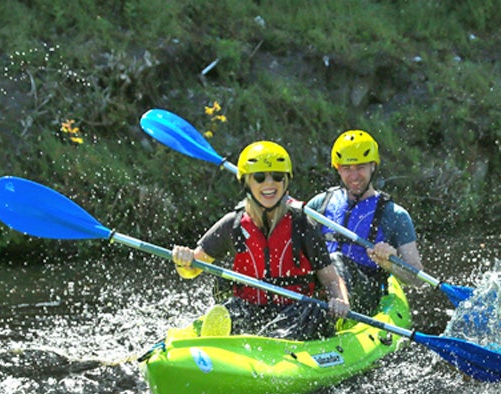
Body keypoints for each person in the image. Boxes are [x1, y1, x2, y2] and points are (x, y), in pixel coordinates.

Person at [172, 141, 351, 340]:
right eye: (259, 177)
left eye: (277, 177)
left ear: (286, 182)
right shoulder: (233, 224)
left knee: (310, 310)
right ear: (247, 183)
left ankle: (271, 343)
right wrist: (184, 260)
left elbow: (331, 279)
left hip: (295, 310)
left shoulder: (303, 224)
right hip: (252, 308)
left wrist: (339, 299)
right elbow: (191, 269)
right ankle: (218, 343)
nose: (269, 184)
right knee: (231, 309)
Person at [308, 130, 424, 313]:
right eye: (347, 168)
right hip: (322, 286)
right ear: (338, 168)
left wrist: (389, 264)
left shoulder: (394, 215)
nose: (354, 176)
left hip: (365, 294)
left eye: (360, 167)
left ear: (373, 166)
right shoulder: (319, 205)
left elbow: (418, 279)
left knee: (336, 259)